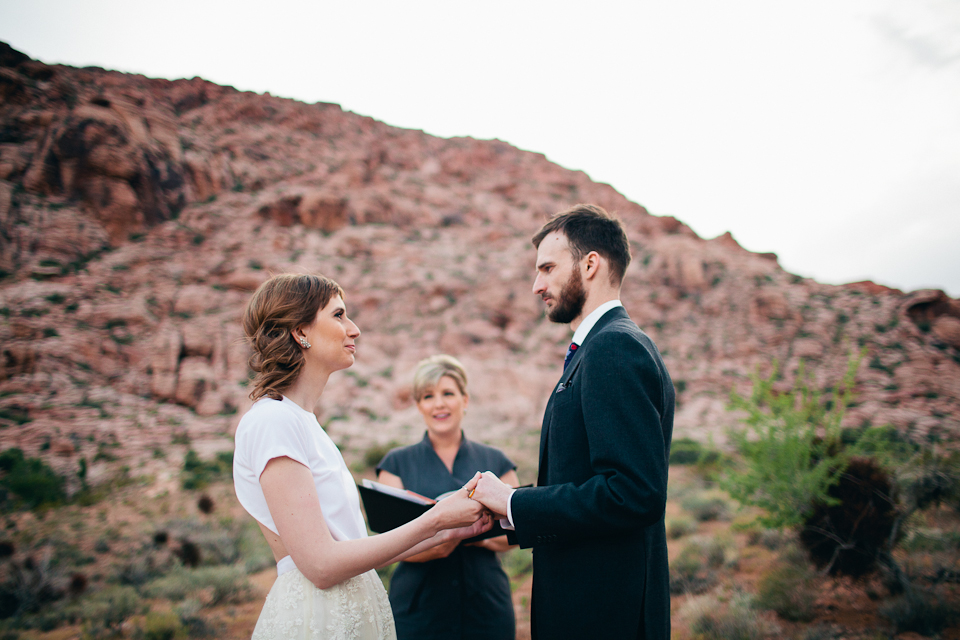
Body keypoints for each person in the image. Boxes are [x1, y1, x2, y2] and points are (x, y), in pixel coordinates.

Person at [232, 274, 491, 640]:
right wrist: (433, 520)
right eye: (339, 315)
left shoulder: (304, 423)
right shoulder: (272, 421)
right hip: (318, 620)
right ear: (299, 331)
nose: (354, 330)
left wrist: (450, 529)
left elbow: (354, 549)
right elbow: (321, 566)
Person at [471, 204, 675, 640]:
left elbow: (634, 494)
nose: (535, 285)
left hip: (604, 617)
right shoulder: (602, 348)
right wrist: (504, 512)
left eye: (547, 268)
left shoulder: (613, 349)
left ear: (590, 264)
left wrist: (513, 503)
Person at [376, 355, 518, 640]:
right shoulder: (395, 463)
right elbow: (390, 542)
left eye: (448, 393)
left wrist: (474, 533)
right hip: (417, 612)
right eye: (428, 396)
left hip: (487, 609)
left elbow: (515, 532)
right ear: (419, 406)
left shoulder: (497, 461)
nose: (438, 403)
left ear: (465, 400)